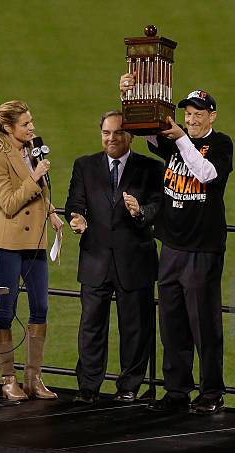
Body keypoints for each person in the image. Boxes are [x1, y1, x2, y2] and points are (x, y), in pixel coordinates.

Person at [120, 75, 234, 414]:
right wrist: (128, 95)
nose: (192, 118)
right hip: (171, 246)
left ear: (212, 116)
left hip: (203, 248)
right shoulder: (175, 140)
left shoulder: (221, 144)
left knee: (204, 325)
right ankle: (177, 391)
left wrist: (183, 139)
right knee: (171, 324)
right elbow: (142, 128)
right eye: (188, 113)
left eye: (199, 113)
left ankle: (212, 393)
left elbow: (207, 175)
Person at [65, 111, 163, 404]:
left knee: (135, 327)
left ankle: (129, 387)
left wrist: (139, 212)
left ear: (129, 135)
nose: (111, 138)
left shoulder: (151, 168)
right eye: (106, 133)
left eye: (118, 133)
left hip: (135, 260)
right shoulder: (85, 165)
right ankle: (88, 386)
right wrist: (77, 217)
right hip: (95, 259)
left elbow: (158, 206)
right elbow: (75, 200)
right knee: (91, 326)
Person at [0, 100, 64, 400]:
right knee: (7, 308)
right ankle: (7, 379)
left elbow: (37, 192)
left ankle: (33, 378)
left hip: (35, 241)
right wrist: (36, 174)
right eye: (26, 124)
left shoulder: (30, 150)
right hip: (6, 241)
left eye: (32, 122)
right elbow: (10, 202)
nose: (32, 127)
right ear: (7, 127)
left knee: (40, 306)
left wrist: (51, 211)